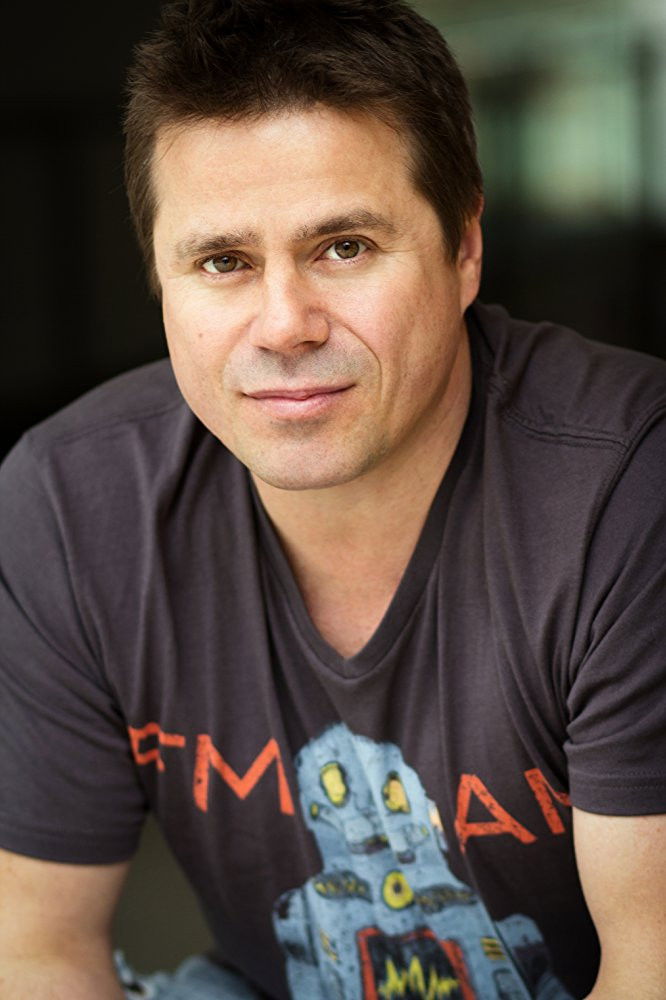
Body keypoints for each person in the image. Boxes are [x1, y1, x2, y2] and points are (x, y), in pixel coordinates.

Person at [0, 1, 664, 997]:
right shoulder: (69, 504)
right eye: (223, 262)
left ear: (464, 248)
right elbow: (39, 952)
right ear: (161, 280)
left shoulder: (627, 486)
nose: (285, 324)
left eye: (344, 246)